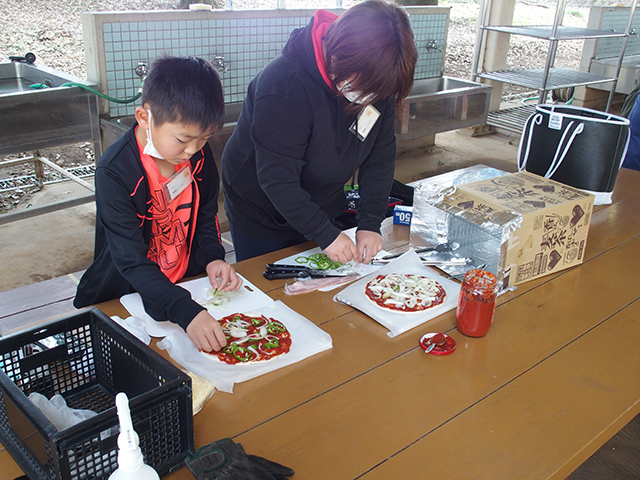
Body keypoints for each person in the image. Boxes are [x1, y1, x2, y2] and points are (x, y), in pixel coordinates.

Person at [221, 0, 418, 264]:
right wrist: (325, 234)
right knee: (268, 284)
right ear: (338, 55)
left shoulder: (376, 81)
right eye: (365, 87)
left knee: (317, 282)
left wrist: (370, 222)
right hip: (261, 206)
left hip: (320, 196)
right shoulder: (285, 87)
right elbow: (277, 178)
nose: (370, 99)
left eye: (378, 93)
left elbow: (380, 157)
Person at [74, 56, 242, 353]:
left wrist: (213, 256)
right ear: (144, 118)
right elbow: (130, 260)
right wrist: (185, 311)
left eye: (203, 139)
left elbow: (205, 217)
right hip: (128, 292)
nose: (192, 151)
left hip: (185, 283)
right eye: (183, 139)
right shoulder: (115, 171)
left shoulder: (197, 158)